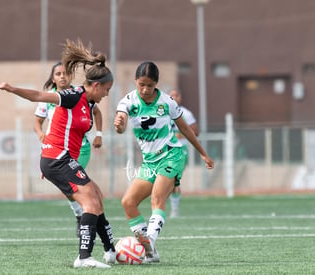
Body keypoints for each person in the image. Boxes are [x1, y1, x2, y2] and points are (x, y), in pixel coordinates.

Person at [0, 39, 115, 268]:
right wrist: (13, 89)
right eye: (107, 90)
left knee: (97, 198)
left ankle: (110, 250)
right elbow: (40, 97)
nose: (107, 94)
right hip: (56, 158)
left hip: (64, 159)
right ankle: (84, 258)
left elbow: (94, 116)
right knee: (90, 203)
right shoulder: (73, 96)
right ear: (95, 86)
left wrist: (100, 133)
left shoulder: (90, 103)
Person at [114, 61, 214, 262]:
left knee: (157, 198)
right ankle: (150, 251)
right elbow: (121, 122)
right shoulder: (128, 102)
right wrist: (119, 124)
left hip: (171, 154)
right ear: (136, 81)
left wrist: (202, 153)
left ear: (156, 84)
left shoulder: (167, 102)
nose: (145, 89)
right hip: (150, 162)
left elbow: (185, 129)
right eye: (141, 84)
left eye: (150, 85)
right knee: (128, 202)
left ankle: (148, 242)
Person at [34, 61, 104, 236]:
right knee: (73, 186)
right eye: (58, 74)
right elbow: (37, 121)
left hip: (80, 148)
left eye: (65, 73)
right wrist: (40, 134)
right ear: (53, 78)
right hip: (58, 150)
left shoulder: (79, 94)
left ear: (71, 76)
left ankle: (87, 218)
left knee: (76, 185)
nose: (62, 76)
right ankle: (83, 216)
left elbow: (96, 111)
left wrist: (99, 134)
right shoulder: (49, 97)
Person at [168, 89, 199, 218]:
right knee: (165, 180)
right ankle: (164, 207)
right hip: (164, 150)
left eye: (176, 95)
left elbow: (195, 132)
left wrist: (179, 135)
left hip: (180, 150)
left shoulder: (186, 113)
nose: (174, 97)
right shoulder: (162, 113)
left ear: (180, 98)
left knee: (173, 178)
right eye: (171, 95)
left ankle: (174, 209)